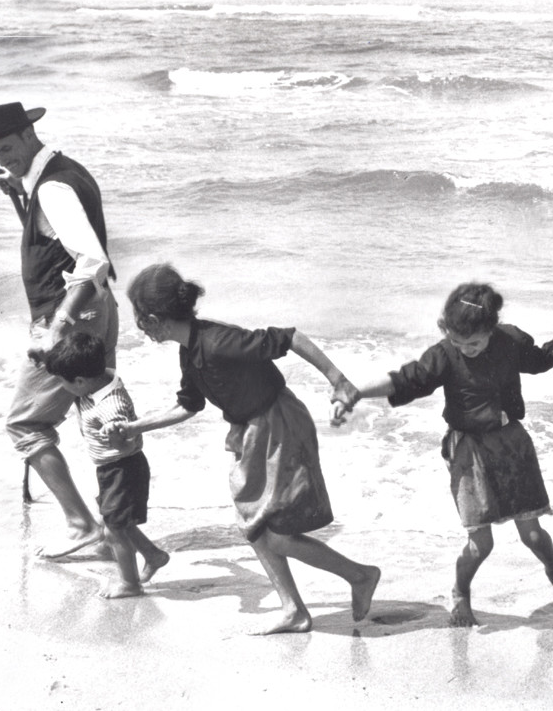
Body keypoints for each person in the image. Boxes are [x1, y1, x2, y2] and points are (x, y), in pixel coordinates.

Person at [119, 263, 381, 635]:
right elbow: (189, 405)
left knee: (270, 531)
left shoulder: (217, 342)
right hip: (251, 431)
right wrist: (136, 427)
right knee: (254, 526)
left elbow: (289, 338)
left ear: (153, 318)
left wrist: (338, 380)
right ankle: (294, 610)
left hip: (280, 424)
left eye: (139, 318)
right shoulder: (190, 349)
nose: (138, 327)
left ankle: (359, 576)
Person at [337, 282, 553, 628]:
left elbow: (540, 361)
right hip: (469, 450)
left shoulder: (510, 340)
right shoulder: (444, 355)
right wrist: (357, 392)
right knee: (481, 543)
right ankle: (461, 592)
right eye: (457, 342)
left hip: (512, 443)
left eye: (474, 342)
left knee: (532, 533)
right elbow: (407, 381)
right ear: (445, 331)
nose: (465, 349)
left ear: (491, 330)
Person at [0, 102, 119, 558]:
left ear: (30, 134)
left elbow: (91, 261)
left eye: (7, 148)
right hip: (98, 307)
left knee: (26, 424)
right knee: (97, 414)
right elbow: (61, 238)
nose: (0, 158)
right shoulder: (65, 173)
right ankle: (122, 527)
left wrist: (58, 327)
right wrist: (22, 189)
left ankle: (82, 526)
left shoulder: (52, 189)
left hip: (70, 314)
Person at [33, 333, 169, 598]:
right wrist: (48, 360)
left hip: (123, 467)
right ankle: (153, 555)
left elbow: (127, 446)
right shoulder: (102, 377)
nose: (61, 386)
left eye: (63, 382)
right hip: (112, 469)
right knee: (117, 521)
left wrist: (116, 436)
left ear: (81, 381)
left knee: (114, 528)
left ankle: (130, 584)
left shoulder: (110, 408)